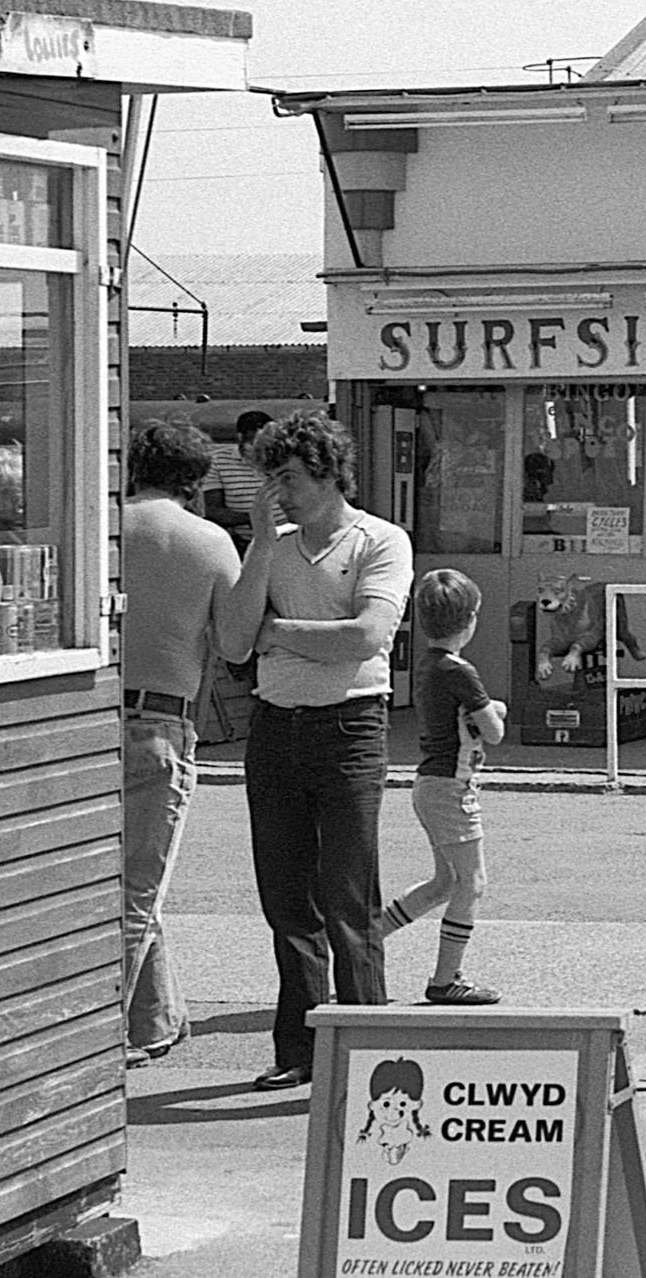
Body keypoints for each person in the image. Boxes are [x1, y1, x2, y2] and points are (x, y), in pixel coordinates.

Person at [234, 408, 413, 1091]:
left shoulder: (380, 540)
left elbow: (366, 635)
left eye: (287, 475)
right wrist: (255, 545)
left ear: (326, 471)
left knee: (347, 896)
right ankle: (301, 1049)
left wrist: (277, 631)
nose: (278, 489)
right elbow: (231, 642)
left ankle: (371, 1051)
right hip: (276, 726)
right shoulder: (271, 548)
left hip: (350, 727)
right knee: (287, 900)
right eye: (269, 476)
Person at [120, 419, 244, 1068]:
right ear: (195, 481)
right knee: (140, 884)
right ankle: (105, 1032)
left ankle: (156, 1018)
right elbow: (238, 644)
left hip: (89, 723)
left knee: (133, 877)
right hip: (162, 723)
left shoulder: (105, 526)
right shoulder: (210, 541)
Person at [381, 569, 508, 1006]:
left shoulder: (428, 666)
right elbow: (493, 733)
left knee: (443, 883)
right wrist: (494, 711)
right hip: (451, 788)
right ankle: (445, 979)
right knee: (471, 882)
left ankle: (365, 943)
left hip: (430, 783)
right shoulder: (461, 671)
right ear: (470, 620)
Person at [204, 409, 272, 550]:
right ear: (241, 437)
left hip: (286, 539)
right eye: (255, 443)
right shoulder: (218, 461)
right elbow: (212, 509)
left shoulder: (283, 457)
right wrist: (252, 518)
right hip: (242, 544)